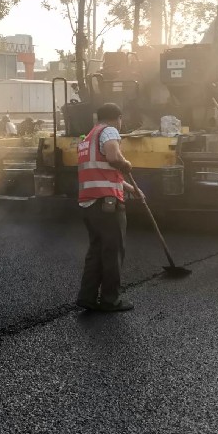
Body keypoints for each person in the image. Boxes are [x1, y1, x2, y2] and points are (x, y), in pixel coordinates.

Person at [76, 103, 144, 313]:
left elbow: (103, 171)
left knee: (96, 252)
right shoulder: (109, 130)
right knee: (113, 252)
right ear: (119, 118)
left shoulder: (88, 138)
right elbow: (114, 157)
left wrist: (131, 188)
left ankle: (87, 297)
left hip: (90, 203)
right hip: (108, 205)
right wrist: (126, 163)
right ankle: (110, 300)